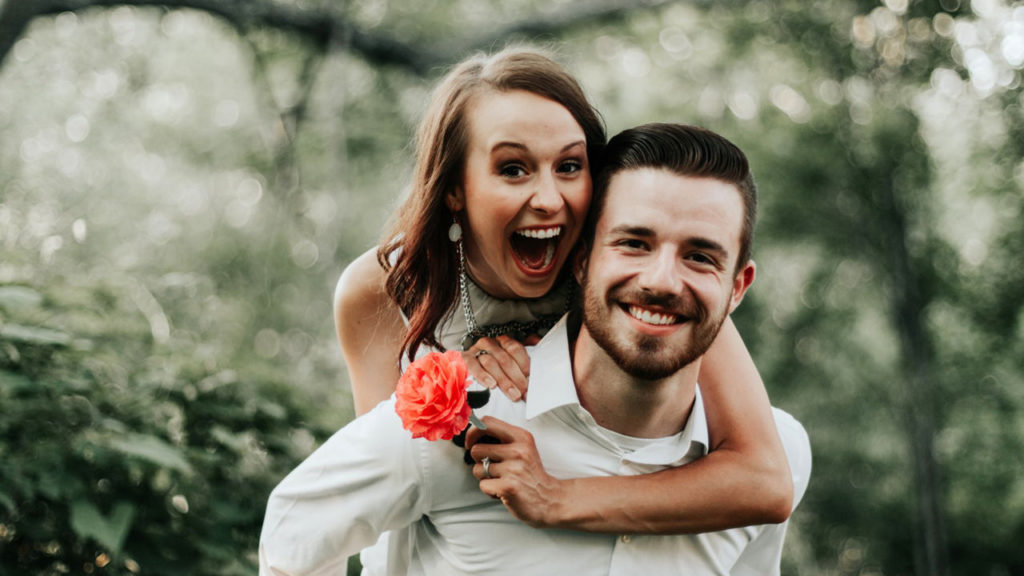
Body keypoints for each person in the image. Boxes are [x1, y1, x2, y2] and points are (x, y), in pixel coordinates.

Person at [261, 123, 811, 575]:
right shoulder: (457, 427)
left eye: (700, 257)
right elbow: (291, 539)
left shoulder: (777, 451)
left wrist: (559, 498)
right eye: (633, 243)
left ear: (738, 287)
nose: (662, 280)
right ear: (580, 258)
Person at [333, 47, 793, 545]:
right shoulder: (378, 290)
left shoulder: (637, 280)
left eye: (570, 166)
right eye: (513, 169)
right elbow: (385, 496)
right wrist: (454, 384)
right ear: (454, 188)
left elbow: (764, 479)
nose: (550, 200)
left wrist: (558, 497)